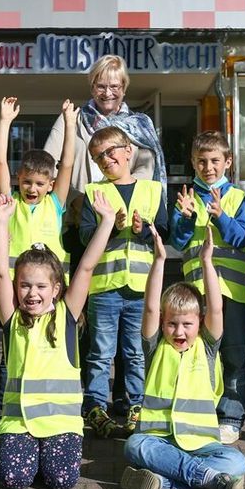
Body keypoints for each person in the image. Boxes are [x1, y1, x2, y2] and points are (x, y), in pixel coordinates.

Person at [43, 54, 167, 416]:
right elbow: (53, 163)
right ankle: (91, 402)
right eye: (101, 84)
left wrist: (133, 213)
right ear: (91, 86)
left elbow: (151, 171)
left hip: (130, 225)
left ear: (124, 87)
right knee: (93, 326)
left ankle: (126, 402)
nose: (108, 92)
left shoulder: (139, 124)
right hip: (85, 219)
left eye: (115, 85)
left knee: (131, 335)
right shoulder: (75, 120)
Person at [0, 190, 116, 489]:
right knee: (13, 479)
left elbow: (86, 267)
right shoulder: (12, 318)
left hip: (62, 424)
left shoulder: (67, 315)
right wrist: (1, 221)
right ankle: (31, 455)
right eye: (24, 285)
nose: (32, 293)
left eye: (40, 286)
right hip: (18, 422)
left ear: (56, 288)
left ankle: (43, 456)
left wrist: (107, 222)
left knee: (61, 480)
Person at [121, 226, 245, 489]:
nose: (179, 330)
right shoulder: (154, 347)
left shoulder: (208, 346)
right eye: (171, 323)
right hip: (159, 441)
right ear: (163, 322)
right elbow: (151, 307)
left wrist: (206, 262)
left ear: (199, 323)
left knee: (237, 462)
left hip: (202, 443)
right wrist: (159, 260)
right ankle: (212, 481)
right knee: (134, 445)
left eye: (187, 324)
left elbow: (216, 308)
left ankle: (163, 482)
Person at [168, 131, 245, 444]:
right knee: (199, 356)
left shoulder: (239, 199)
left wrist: (220, 218)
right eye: (202, 161)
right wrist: (184, 219)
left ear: (228, 162)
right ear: (193, 163)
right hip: (197, 294)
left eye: (215, 161)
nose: (208, 167)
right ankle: (201, 412)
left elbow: (244, 238)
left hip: (232, 294)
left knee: (233, 356)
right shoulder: (188, 198)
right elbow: (178, 242)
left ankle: (231, 416)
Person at [80, 126, 168, 437]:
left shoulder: (153, 190)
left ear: (128, 149)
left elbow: (165, 231)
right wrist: (114, 228)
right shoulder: (93, 193)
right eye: (97, 156)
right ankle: (95, 406)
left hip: (142, 288)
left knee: (136, 351)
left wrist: (145, 230)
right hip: (104, 288)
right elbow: (85, 237)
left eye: (110, 151)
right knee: (101, 352)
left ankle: (137, 404)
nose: (105, 159)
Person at [0, 97, 77, 415]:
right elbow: (0, 161)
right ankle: (4, 407)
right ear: (18, 180)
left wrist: (69, 123)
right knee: (11, 348)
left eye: (39, 183)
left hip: (49, 291)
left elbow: (66, 163)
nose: (31, 187)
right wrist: (5, 122)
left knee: (50, 344)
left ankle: (47, 402)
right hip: (16, 292)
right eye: (26, 181)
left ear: (50, 185)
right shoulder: (10, 203)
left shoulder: (55, 205)